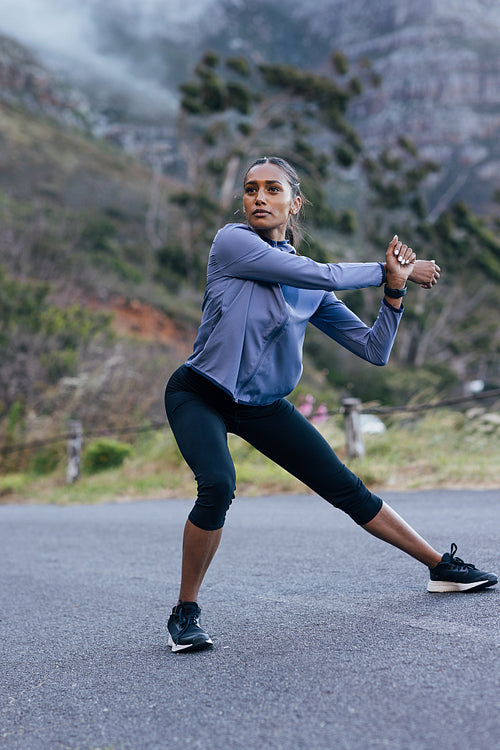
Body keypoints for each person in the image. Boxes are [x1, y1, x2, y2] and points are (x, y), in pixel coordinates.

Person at [164, 156, 497, 653]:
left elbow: (373, 350)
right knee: (218, 484)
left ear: (293, 203)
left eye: (272, 189)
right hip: (200, 392)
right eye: (251, 189)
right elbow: (323, 273)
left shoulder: (309, 287)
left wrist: (394, 292)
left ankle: (440, 568)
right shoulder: (231, 243)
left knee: (346, 488)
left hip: (264, 405)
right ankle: (185, 611)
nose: (258, 197)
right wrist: (388, 268)